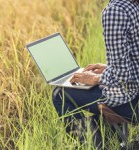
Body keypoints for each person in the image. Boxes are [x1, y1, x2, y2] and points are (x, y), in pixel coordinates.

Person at [52, 0, 139, 148]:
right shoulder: (133, 5)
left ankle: (93, 145)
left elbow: (122, 75)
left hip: (132, 102)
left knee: (59, 93)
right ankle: (111, 139)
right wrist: (108, 68)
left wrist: (96, 78)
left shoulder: (115, 11)